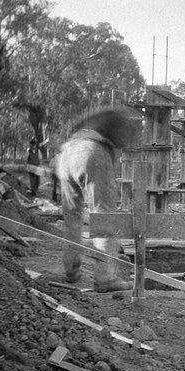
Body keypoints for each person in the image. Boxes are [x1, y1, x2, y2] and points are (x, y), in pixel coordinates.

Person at [54, 108, 137, 293]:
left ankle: (71, 270)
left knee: (72, 217)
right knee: (104, 214)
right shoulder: (122, 121)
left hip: (66, 153)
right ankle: (105, 278)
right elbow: (114, 153)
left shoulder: (100, 117)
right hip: (90, 151)